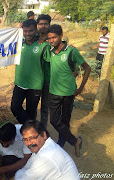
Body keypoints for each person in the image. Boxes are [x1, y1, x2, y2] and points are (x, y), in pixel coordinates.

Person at [46, 24, 90, 157]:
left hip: (69, 94)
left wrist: (81, 88)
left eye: (54, 37)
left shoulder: (72, 52)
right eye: (49, 38)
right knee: (54, 120)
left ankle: (60, 144)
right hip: (53, 92)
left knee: (65, 121)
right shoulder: (50, 51)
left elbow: (87, 68)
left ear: (61, 36)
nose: (51, 41)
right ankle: (75, 141)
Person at [15, 120, 79, 180]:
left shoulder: (45, 157)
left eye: (32, 138)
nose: (29, 143)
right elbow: (26, 168)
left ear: (44, 135)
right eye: (26, 139)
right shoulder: (41, 148)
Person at [11, 19, 46, 124]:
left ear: (36, 30)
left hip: (34, 86)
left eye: (30, 31)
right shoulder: (18, 41)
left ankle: (30, 131)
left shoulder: (43, 44)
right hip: (19, 83)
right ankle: (31, 127)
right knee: (14, 107)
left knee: (31, 112)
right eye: (25, 31)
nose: (27, 34)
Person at [37, 14, 52, 128]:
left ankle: (43, 130)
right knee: (32, 106)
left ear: (49, 25)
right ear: (37, 25)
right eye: (41, 24)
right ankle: (31, 128)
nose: (43, 26)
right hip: (35, 79)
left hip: (48, 79)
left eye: (45, 24)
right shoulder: (32, 38)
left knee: (45, 107)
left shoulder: (53, 40)